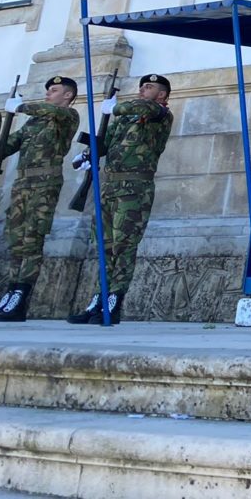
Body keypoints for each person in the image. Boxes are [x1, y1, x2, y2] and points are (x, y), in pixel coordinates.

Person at [67, 73, 176, 325]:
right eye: (141, 86)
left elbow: (140, 107)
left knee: (123, 246)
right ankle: (99, 297)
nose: (142, 90)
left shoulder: (159, 114)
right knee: (105, 246)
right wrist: (88, 154)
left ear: (161, 95)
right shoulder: (125, 115)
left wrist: (115, 106)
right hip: (110, 185)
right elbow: (106, 142)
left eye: (149, 87)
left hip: (135, 187)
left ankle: (115, 299)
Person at [0, 76, 81, 322]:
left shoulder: (67, 116)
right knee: (16, 240)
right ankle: (10, 293)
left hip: (44, 184)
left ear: (67, 95)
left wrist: (19, 107)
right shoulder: (35, 122)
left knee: (32, 239)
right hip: (23, 184)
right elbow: (11, 143)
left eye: (54, 90)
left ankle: (21, 297)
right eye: (47, 90)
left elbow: (47, 109)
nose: (48, 94)